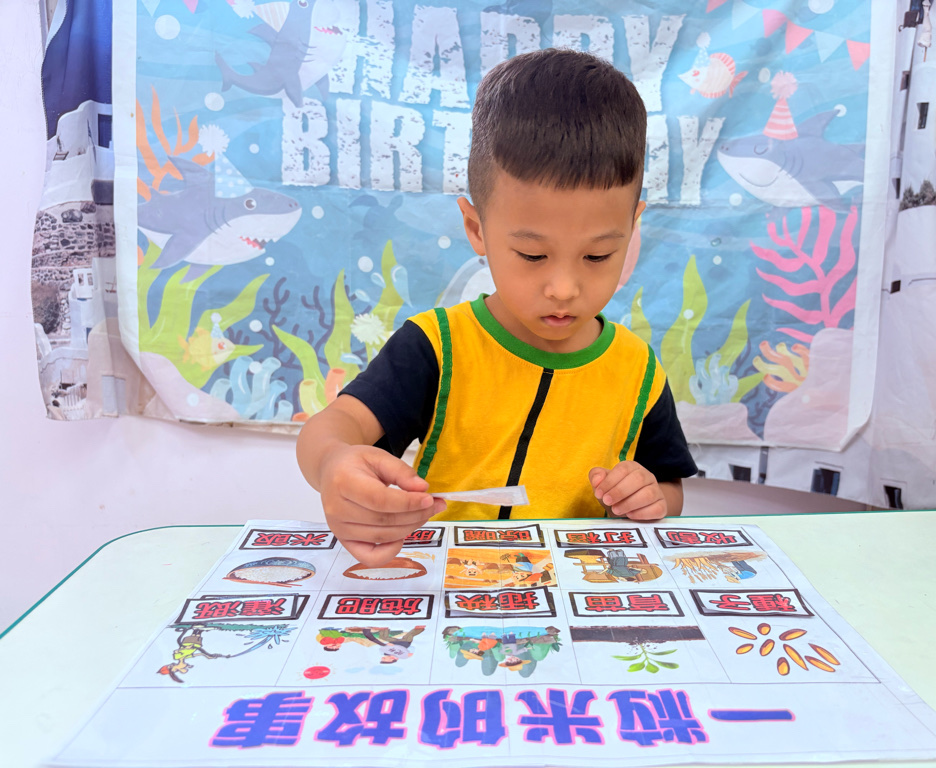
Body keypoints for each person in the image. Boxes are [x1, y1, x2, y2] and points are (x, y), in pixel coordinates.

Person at [297, 49, 698, 567]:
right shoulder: (437, 346)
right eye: (532, 255)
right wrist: (334, 462)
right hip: (450, 588)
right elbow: (333, 426)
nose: (563, 289)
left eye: (598, 255)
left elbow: (670, 488)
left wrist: (648, 495)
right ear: (476, 229)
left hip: (571, 592)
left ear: (632, 227)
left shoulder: (636, 368)